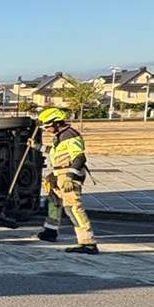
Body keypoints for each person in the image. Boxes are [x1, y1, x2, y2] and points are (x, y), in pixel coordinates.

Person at [36, 107, 99, 254]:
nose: (46, 130)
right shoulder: (60, 136)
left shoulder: (70, 135)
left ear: (57, 123)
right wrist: (37, 147)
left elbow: (79, 157)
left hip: (68, 175)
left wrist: (70, 177)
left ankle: (88, 243)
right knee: (54, 202)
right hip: (58, 173)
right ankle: (50, 231)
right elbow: (55, 152)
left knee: (73, 208)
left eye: (47, 126)